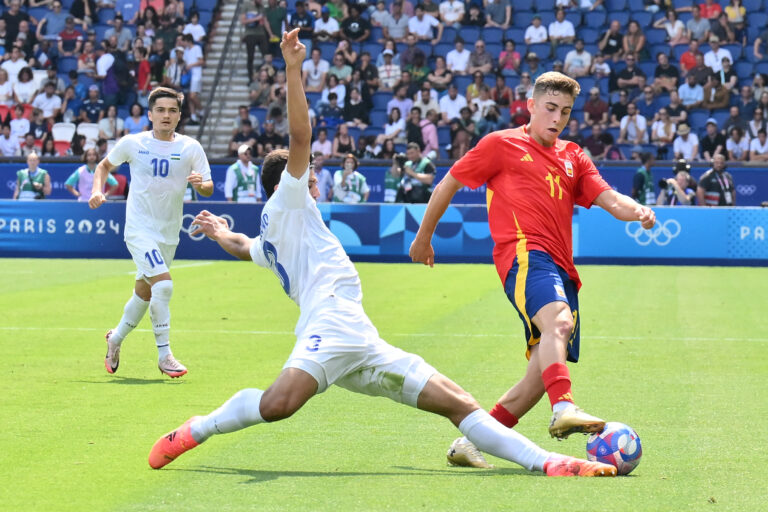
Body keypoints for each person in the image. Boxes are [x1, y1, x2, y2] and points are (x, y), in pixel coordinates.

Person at [148, 31, 617, 479]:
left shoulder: (275, 231)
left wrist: (216, 232)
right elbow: (299, 138)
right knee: (277, 406)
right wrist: (294, 70)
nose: (315, 181)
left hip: (360, 335)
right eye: (308, 177)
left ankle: (550, 463)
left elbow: (244, 246)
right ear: (284, 183)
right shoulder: (289, 198)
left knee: (458, 403)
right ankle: (198, 428)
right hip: (329, 326)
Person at [409, 71, 656, 467]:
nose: (557, 118)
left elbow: (609, 198)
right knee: (558, 322)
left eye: (565, 112)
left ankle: (473, 442)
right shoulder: (500, 144)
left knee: (538, 376)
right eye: (550, 108)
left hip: (561, 268)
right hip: (524, 256)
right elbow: (448, 183)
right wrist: (424, 238)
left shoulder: (573, 155)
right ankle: (564, 409)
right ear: (531, 105)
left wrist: (637, 211)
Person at [87, 86, 214, 378]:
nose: (166, 116)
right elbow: (104, 167)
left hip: (168, 232)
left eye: (172, 111)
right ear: (150, 114)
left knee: (144, 293)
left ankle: (115, 339)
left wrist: (199, 184)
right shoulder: (133, 143)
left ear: (180, 116)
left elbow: (207, 187)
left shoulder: (190, 147)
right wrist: (97, 190)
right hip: (139, 228)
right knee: (164, 286)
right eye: (160, 110)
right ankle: (164, 355)